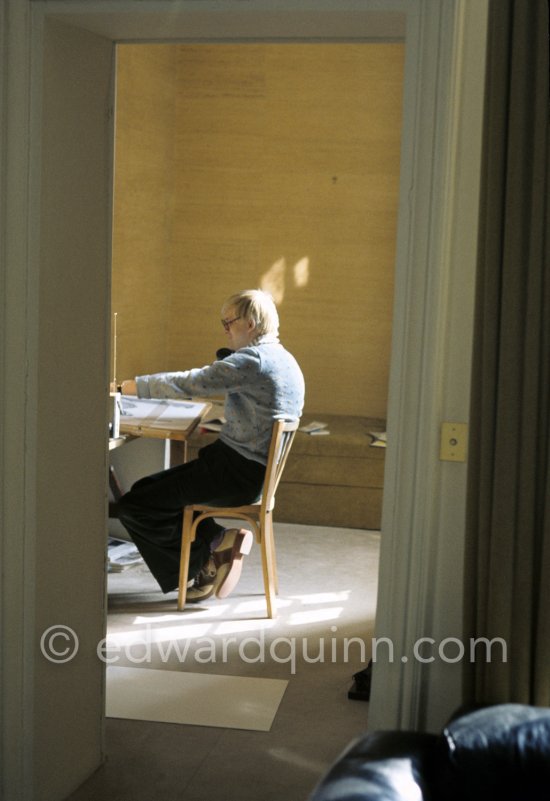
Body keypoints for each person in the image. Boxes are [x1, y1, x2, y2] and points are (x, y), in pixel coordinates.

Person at [115, 289, 305, 603]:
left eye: (229, 323)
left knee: (135, 505)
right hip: (250, 473)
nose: (225, 330)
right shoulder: (283, 358)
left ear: (251, 323)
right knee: (153, 492)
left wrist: (127, 387)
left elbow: (192, 382)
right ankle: (218, 540)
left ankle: (205, 561)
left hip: (235, 474)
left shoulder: (253, 359)